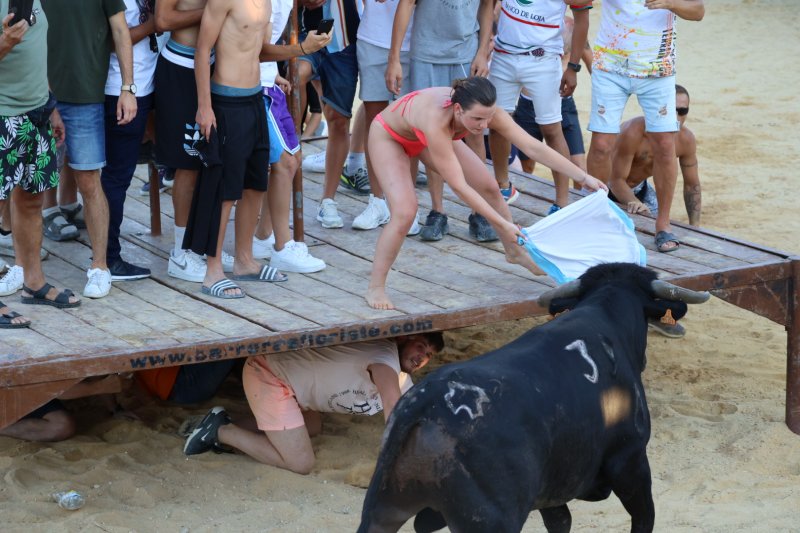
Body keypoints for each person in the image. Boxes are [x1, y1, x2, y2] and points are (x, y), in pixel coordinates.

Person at [365, 77, 607, 310]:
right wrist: (502, 222)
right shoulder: (436, 120)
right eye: (477, 119)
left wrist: (583, 177)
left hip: (425, 134)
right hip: (391, 135)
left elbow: (532, 147)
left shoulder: (489, 113)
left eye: (488, 118)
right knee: (405, 212)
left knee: (491, 187)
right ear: (458, 109)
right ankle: (376, 286)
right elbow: (459, 186)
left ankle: (514, 251)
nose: (483, 125)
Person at [183, 332, 445, 474]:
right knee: (301, 463)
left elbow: (413, 409)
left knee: (312, 425)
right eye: (420, 346)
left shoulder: (399, 373)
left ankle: (220, 423)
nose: (422, 357)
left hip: (289, 382)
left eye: (429, 355)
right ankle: (220, 431)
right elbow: (392, 405)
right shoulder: (384, 358)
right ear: (403, 339)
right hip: (269, 375)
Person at [586, 0, 704, 252]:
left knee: (664, 144)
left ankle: (663, 226)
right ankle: (593, 220)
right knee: (600, 144)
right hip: (610, 67)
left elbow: (698, 12)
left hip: (658, 70)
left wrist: (670, 3)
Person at [41, 0, 138, 298]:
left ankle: (100, 266)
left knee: (89, 181)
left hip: (85, 97)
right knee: (29, 185)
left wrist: (127, 88)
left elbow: (121, 31)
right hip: (35, 96)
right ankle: (26, 270)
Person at [185, 0, 281, 299]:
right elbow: (202, 51)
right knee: (224, 190)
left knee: (255, 183)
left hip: (255, 98)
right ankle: (212, 271)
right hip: (225, 101)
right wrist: (204, 106)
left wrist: (303, 49)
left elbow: (259, 48)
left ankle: (244, 260)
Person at [387, 0, 496, 243]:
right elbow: (405, 5)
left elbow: (487, 5)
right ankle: (437, 211)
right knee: (430, 132)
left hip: (466, 53)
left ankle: (479, 212)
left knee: (475, 132)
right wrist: (394, 58)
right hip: (427, 53)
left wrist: (481, 52)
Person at [0, 1, 81, 329]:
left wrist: (51, 106)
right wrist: (5, 43)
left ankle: (33, 283)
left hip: (36, 114)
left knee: (32, 200)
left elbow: (35, 54)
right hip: (4, 116)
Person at [487, 1, 591, 212]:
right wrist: (482, 50)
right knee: (497, 123)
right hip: (503, 55)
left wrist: (573, 67)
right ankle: (502, 187)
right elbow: (487, 7)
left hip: (543, 60)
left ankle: (561, 204)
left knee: (552, 129)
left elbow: (582, 19)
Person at [251, 0, 330, 273]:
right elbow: (255, 47)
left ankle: (263, 237)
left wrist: (273, 74)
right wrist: (302, 49)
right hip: (251, 86)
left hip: (265, 81)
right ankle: (283, 247)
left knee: (291, 160)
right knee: (285, 162)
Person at [154, 0, 219, 283]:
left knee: (212, 161)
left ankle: (201, 244)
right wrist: (214, 10)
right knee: (188, 164)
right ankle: (180, 253)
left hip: (215, 67)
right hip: (181, 68)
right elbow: (163, 20)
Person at [101, 0, 160, 281]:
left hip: (143, 85)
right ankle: (108, 257)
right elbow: (114, 38)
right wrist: (154, 24)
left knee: (116, 176)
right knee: (116, 177)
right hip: (121, 90)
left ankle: (107, 255)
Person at [506, 15, 594, 184]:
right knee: (526, 166)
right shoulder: (532, 21)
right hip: (528, 104)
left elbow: (592, 65)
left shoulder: (574, 27)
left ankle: (577, 206)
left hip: (563, 103)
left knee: (579, 167)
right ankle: (525, 205)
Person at [609, 84, 701, 227]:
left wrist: (695, 226)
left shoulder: (686, 140)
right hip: (604, 186)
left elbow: (692, 185)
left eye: (683, 111)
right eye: (671, 109)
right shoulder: (633, 132)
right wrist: (634, 203)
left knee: (656, 224)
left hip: (640, 188)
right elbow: (614, 180)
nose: (676, 116)